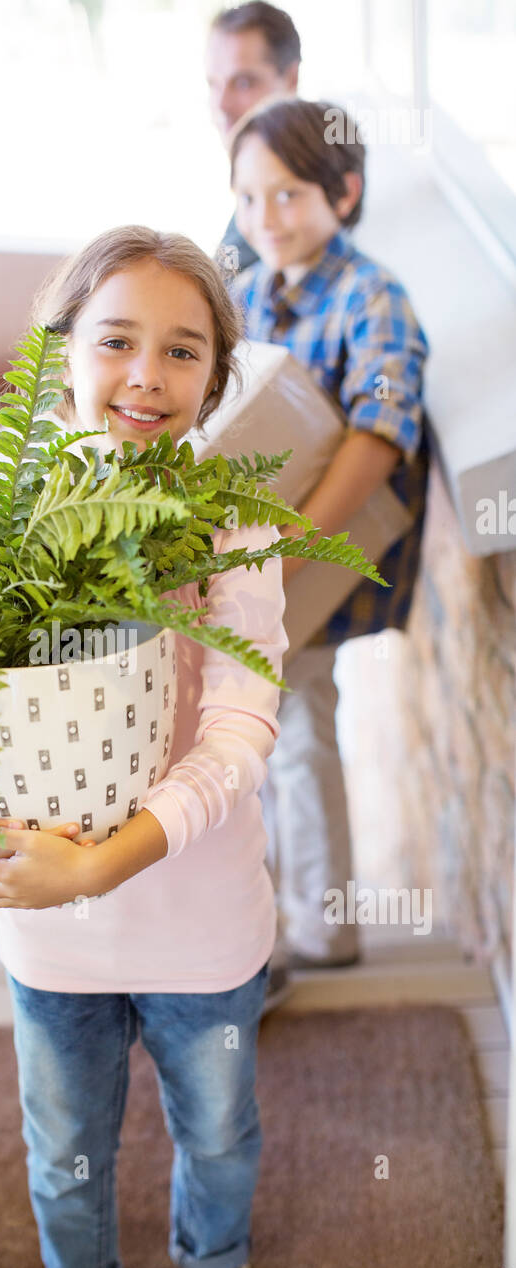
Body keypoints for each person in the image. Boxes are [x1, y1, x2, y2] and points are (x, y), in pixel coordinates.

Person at [0, 225, 290, 1268]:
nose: (144, 375)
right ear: (58, 352)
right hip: (50, 924)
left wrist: (102, 863)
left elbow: (239, 729)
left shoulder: (228, 524)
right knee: (67, 1155)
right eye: (116, 339)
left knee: (218, 1134)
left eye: (182, 350)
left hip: (200, 921)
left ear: (215, 376)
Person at [226, 97, 430, 969]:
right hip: (243, 563)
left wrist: (293, 546)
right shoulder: (241, 292)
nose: (265, 218)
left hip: (312, 559)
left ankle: (325, 927)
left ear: (342, 194)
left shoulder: (372, 297)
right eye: (247, 197)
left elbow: (381, 434)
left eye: (287, 196)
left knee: (302, 726)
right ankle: (257, 921)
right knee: (251, 734)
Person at [204, 3, 301, 273]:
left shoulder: (309, 188)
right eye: (213, 84)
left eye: (244, 83)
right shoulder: (257, 177)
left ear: (291, 79)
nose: (221, 105)